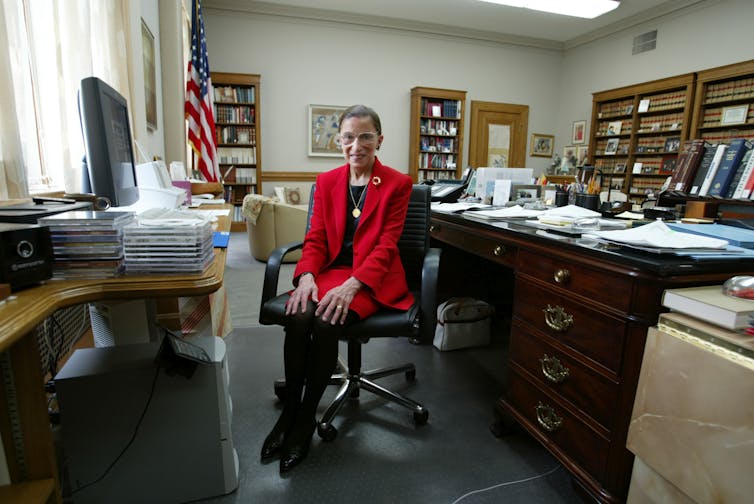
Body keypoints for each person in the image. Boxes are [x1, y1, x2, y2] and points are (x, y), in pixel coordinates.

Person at [260, 104, 415, 473]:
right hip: (329, 272)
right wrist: (308, 276)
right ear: (338, 141)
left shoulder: (397, 184)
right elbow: (313, 239)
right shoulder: (328, 182)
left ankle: (305, 421)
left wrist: (353, 284)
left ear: (379, 140)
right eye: (348, 136)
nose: (356, 144)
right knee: (299, 317)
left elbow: (387, 245)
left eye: (365, 136)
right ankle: (291, 411)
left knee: (327, 322)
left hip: (370, 277)